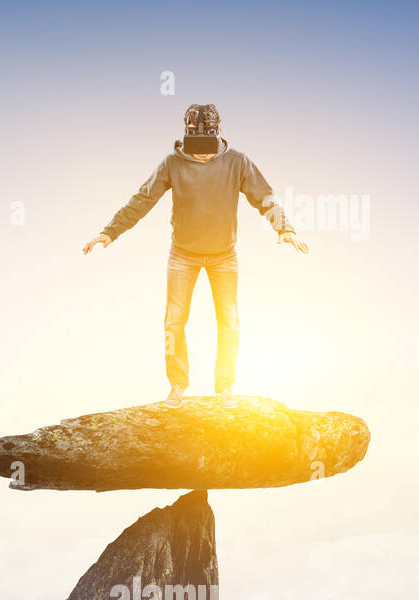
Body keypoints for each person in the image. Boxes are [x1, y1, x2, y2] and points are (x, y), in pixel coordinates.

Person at [82, 104, 308, 409]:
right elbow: (143, 199)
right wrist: (109, 232)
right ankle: (177, 386)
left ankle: (225, 387)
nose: (202, 152)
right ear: (186, 135)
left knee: (229, 321)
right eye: (195, 143)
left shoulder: (238, 163)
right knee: (174, 321)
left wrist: (284, 228)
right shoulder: (172, 164)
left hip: (224, 257)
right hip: (183, 256)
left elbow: (264, 196)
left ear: (218, 134)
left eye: (208, 143)